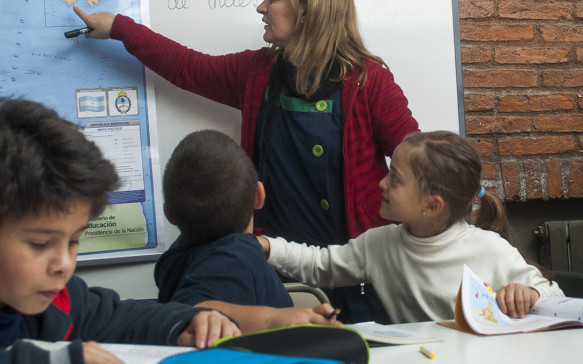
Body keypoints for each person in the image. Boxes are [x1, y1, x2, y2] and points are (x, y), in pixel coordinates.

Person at [73, 0, 419, 323]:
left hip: (353, 270)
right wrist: (119, 27)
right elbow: (186, 67)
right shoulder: (256, 72)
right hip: (273, 265)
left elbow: (418, 166)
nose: (261, 7)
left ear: (307, 10)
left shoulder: (368, 82)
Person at [0, 97, 239, 364]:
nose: (64, 264)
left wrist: (185, 323)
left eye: (74, 240)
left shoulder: (47, 295)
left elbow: (116, 316)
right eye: (40, 244)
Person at [258, 131, 565, 323]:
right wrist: (268, 248)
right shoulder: (378, 245)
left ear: (432, 206)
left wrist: (529, 293)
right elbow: (321, 265)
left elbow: (554, 296)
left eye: (395, 178)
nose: (382, 183)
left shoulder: (489, 249)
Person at [154, 130, 340, 332]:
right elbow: (190, 310)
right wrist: (274, 319)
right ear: (259, 196)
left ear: (169, 215)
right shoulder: (234, 254)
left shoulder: (173, 258)